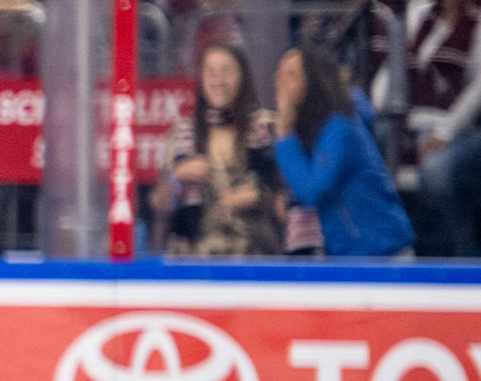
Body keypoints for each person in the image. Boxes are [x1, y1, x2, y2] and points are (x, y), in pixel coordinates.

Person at [274, 43, 415, 256]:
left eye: (291, 75)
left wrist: (285, 136)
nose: (280, 83)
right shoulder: (312, 128)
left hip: (383, 255)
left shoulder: (340, 126)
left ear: (314, 81)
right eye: (279, 74)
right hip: (351, 257)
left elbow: (313, 190)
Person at [373, 0, 481, 254]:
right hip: (412, 122)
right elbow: (392, 69)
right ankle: (395, 249)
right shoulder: (418, 15)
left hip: (462, 129)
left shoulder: (477, 23)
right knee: (374, 139)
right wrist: (381, 109)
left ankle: (462, 254)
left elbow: (477, 91)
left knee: (436, 171)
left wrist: (446, 131)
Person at [155, 43, 282, 256]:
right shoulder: (181, 133)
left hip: (256, 260)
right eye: (210, 72)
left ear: (243, 76)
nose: (218, 80)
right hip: (195, 263)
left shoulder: (268, 127)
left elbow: (292, 199)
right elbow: (159, 205)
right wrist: (177, 175)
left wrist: (259, 197)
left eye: (226, 71)